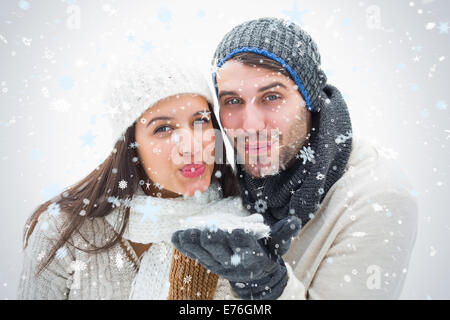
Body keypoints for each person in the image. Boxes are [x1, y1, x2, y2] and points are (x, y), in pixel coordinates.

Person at [171, 17, 419, 299]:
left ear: (309, 100)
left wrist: (270, 288)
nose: (250, 125)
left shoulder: (377, 198)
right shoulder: (228, 175)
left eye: (272, 97)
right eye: (233, 101)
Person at [16, 52, 274, 300]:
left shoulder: (246, 227)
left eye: (200, 121)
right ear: (131, 146)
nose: (191, 146)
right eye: (163, 128)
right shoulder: (66, 232)